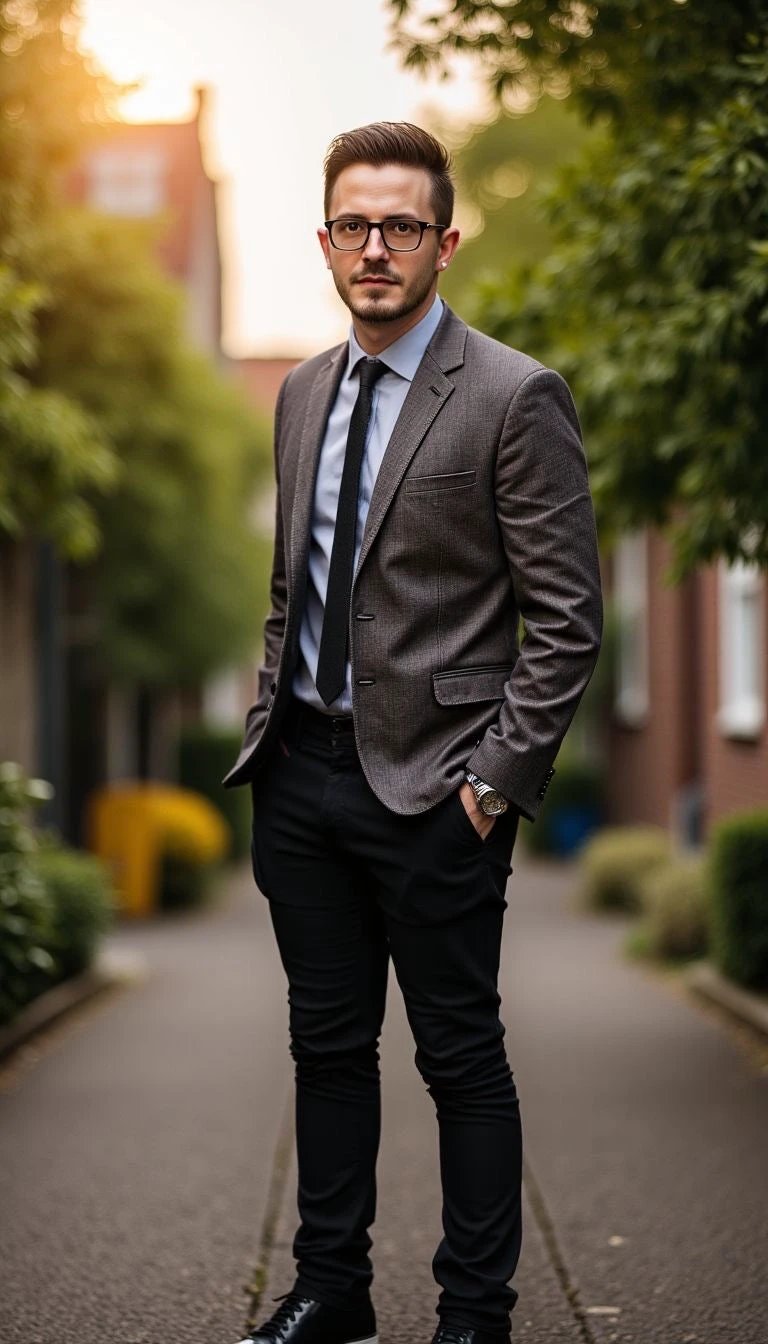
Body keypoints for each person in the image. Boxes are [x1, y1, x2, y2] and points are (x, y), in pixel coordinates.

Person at [222, 121, 603, 1344]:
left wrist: (493, 786)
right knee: (327, 1055)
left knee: (461, 1063)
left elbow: (567, 623)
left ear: (444, 241)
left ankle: (474, 1316)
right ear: (324, 241)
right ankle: (331, 1288)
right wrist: (263, 729)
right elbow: (295, 589)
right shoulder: (297, 392)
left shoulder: (511, 394)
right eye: (353, 225)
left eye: (399, 226)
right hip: (304, 781)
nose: (374, 248)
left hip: (439, 792)